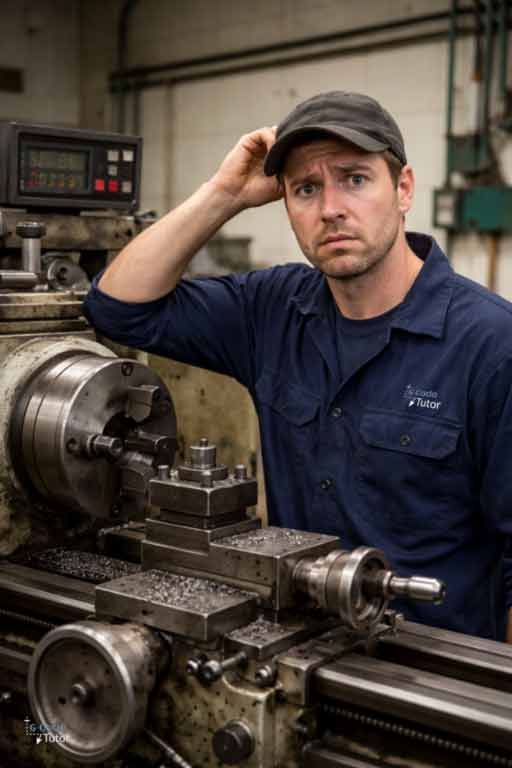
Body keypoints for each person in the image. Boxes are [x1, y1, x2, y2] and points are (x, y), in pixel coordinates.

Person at [84, 91, 512, 641]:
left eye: (354, 179)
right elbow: (117, 308)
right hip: (291, 654)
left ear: (403, 189)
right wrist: (226, 193)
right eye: (306, 189)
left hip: (431, 681)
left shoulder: (491, 344)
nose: (330, 207)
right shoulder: (273, 310)